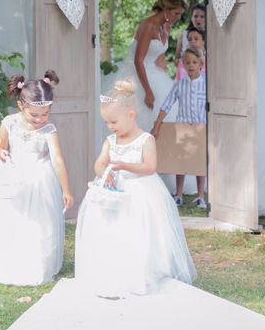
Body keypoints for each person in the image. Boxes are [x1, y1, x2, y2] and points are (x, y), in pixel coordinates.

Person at [75, 79, 197, 298]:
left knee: (138, 231)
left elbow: (149, 167)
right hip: (114, 193)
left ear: (131, 115)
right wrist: (105, 172)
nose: (110, 127)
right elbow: (99, 163)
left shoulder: (145, 140)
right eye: (107, 123)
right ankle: (113, 270)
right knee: (112, 231)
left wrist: (123, 165)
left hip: (140, 192)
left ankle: (141, 271)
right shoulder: (110, 141)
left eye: (113, 122)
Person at [0, 71, 74, 286]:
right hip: (11, 176)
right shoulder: (9, 123)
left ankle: (36, 261)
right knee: (10, 218)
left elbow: (57, 159)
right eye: (35, 115)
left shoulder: (49, 129)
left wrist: (66, 189)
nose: (40, 119)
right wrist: (0, 153)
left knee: (38, 221)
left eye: (45, 114)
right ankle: (7, 260)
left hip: (39, 179)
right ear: (22, 106)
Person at [102, 0, 188, 132]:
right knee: (139, 116)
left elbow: (160, 56)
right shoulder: (149, 25)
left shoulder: (166, 26)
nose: (178, 17)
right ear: (167, 10)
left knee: (167, 108)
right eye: (176, 13)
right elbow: (138, 60)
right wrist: (148, 92)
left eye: (180, 14)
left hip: (153, 72)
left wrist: (165, 79)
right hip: (134, 72)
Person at [151, 48, 207, 208]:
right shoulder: (180, 85)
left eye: (194, 62)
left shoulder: (206, 84)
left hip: (200, 128)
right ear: (183, 64)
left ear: (201, 64)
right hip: (182, 127)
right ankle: (179, 194)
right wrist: (157, 125)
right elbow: (167, 104)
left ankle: (200, 196)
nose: (191, 65)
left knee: (199, 162)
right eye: (187, 62)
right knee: (181, 162)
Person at [174, 3, 206, 80]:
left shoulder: (210, 35)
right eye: (195, 16)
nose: (198, 19)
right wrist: (182, 62)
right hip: (185, 72)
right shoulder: (183, 34)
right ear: (191, 18)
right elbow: (176, 59)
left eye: (202, 17)